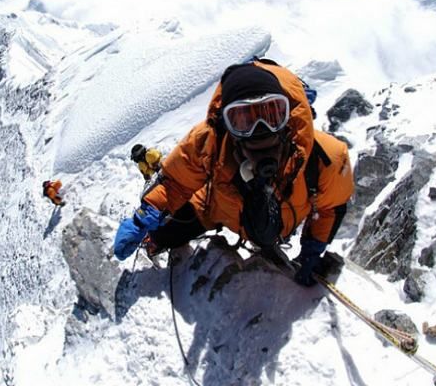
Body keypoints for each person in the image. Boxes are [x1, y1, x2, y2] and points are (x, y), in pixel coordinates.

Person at [113, 58, 353, 286]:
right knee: (167, 232)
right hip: (216, 208)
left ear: (288, 116)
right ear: (227, 124)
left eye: (271, 114)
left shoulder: (325, 157)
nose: (260, 129)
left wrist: (313, 248)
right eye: (243, 119)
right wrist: (144, 216)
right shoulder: (209, 142)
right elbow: (175, 182)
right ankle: (154, 240)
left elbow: (329, 208)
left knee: (261, 232)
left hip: (268, 221)